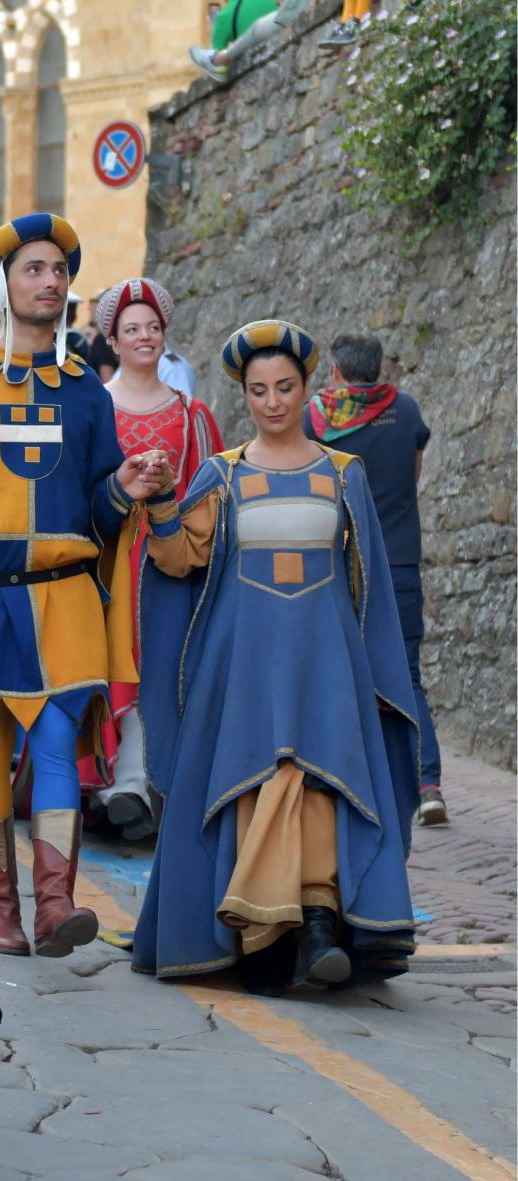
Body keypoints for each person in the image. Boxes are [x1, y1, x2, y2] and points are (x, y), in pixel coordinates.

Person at [133, 320, 419, 995]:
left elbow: (366, 580)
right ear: (245, 394)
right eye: (258, 390)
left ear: (306, 389)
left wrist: (373, 674)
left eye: (284, 387)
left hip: (327, 664)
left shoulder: (343, 476)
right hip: (242, 667)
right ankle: (262, 932)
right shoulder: (221, 474)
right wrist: (163, 499)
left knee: (322, 781)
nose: (272, 401)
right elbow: (179, 558)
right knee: (254, 783)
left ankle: (317, 921)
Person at [0, 213, 165, 959]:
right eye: (33, 269)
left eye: (58, 269)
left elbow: (99, 507)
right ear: (3, 284)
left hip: (65, 596)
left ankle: (53, 906)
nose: (49, 280)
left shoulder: (87, 391)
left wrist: (122, 484)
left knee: (56, 741)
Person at [79, 279, 224, 839]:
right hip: (110, 558)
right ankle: (123, 781)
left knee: (166, 664)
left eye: (152, 328)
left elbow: (210, 493)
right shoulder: (93, 406)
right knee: (115, 664)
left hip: (170, 560)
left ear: (165, 336)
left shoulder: (193, 415)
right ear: (112, 340)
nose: (144, 337)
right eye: (131, 329)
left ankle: (158, 785)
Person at [304, 332, 444, 825]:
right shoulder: (404, 410)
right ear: (379, 369)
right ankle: (428, 786)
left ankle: (344, 778)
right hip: (399, 559)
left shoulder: (315, 418)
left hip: (340, 562)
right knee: (406, 675)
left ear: (337, 371)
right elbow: (413, 474)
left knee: (337, 669)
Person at [191, 0, 308, 80]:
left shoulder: (223, 17)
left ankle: (216, 60)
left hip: (263, 63)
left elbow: (222, 69)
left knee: (258, 28)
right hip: (289, 39)